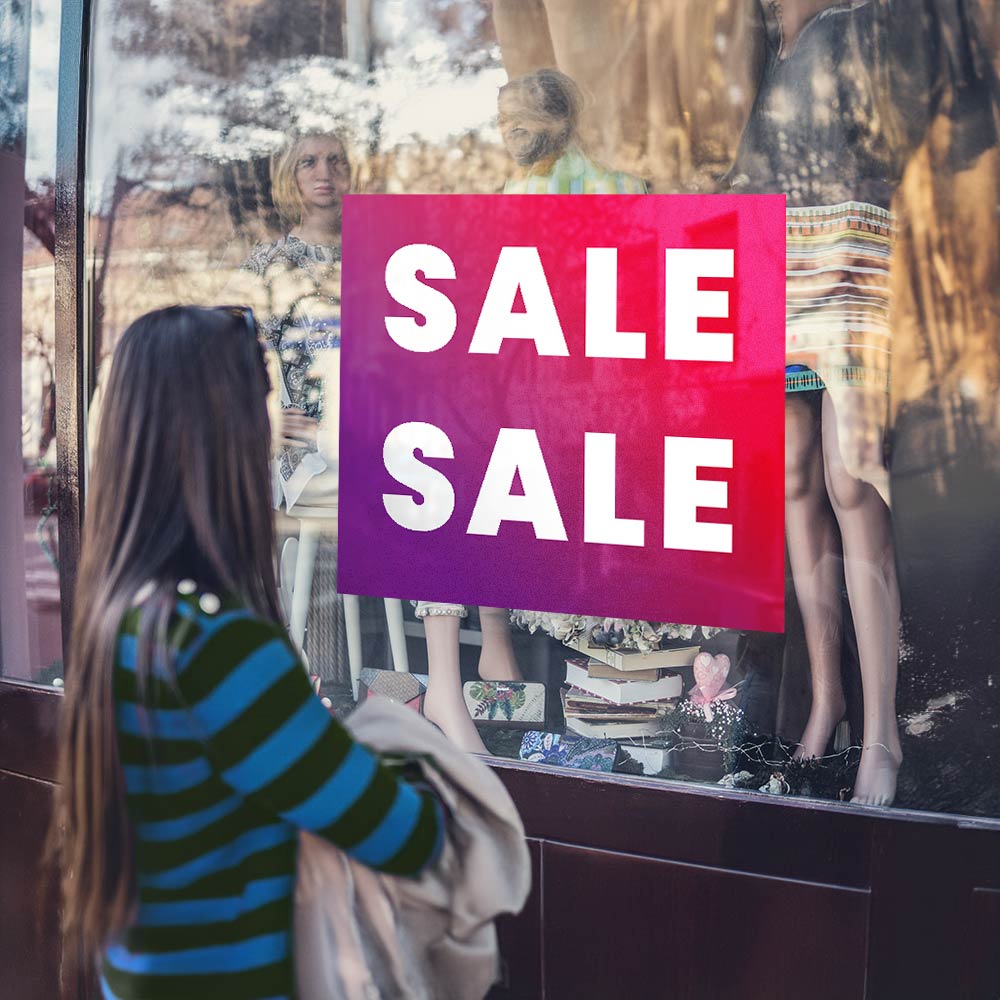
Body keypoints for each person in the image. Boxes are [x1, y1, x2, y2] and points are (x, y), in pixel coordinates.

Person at [47, 305, 443, 999]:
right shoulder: (218, 643)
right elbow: (405, 835)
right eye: (261, 395)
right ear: (221, 425)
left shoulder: (127, 613)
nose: (274, 416)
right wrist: (393, 743)